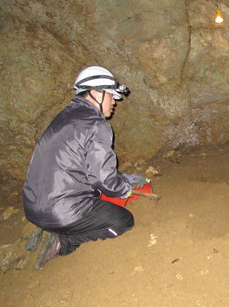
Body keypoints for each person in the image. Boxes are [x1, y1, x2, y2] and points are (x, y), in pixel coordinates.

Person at [23, 66, 146, 270]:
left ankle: (47, 227)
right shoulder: (95, 124)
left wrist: (121, 177)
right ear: (96, 93)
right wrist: (126, 188)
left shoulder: (64, 118)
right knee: (123, 221)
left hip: (33, 206)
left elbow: (78, 167)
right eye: (111, 96)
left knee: (95, 195)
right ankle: (64, 241)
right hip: (60, 210)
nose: (114, 102)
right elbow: (104, 180)